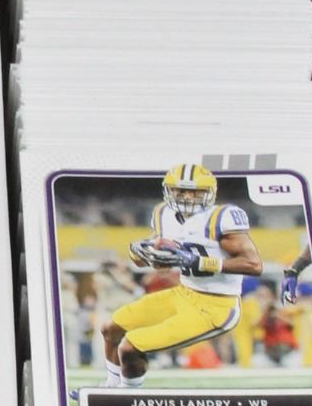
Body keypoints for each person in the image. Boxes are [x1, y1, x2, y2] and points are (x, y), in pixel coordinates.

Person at [102, 164, 262, 388]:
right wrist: (140, 252)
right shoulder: (163, 214)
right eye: (181, 191)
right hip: (183, 293)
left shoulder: (220, 218)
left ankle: (127, 396)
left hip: (217, 305)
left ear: (209, 193)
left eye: (195, 192)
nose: (187, 196)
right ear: (169, 191)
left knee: (131, 347)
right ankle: (110, 387)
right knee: (111, 328)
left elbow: (254, 264)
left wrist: (199, 262)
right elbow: (149, 257)